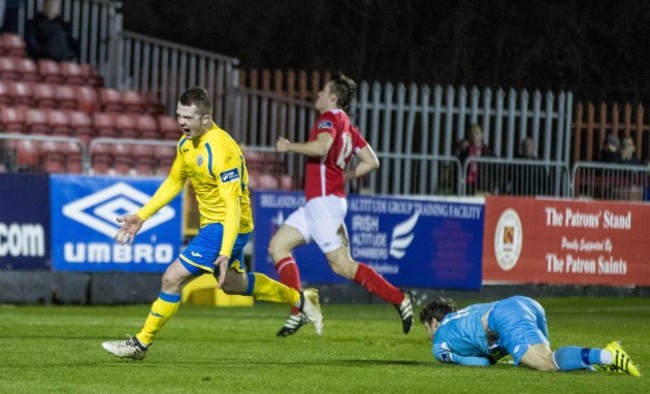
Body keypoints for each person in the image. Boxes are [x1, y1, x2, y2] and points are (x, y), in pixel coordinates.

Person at [101, 87, 323, 361]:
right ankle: (301, 299)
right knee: (233, 284)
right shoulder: (185, 144)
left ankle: (140, 344)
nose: (182, 122)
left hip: (227, 226)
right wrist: (142, 215)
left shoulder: (221, 150)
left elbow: (231, 207)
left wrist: (225, 251)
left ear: (206, 119)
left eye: (188, 117)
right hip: (218, 226)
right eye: (179, 116)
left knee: (172, 278)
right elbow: (173, 182)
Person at [268, 72, 413, 337]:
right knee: (278, 246)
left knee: (342, 265)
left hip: (324, 203)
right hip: (319, 202)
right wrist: (344, 176)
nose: (319, 94)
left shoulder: (329, 118)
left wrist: (289, 147)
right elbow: (372, 162)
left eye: (323, 91)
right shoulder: (349, 127)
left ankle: (399, 298)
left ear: (333, 97)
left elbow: (322, 148)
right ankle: (299, 309)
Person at [419, 296, 641, 376]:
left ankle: (608, 355)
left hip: (506, 317)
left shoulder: (440, 344)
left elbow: (481, 363)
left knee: (546, 363)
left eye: (427, 328)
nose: (429, 336)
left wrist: (459, 359)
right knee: (545, 360)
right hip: (526, 304)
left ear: (433, 322)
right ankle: (595, 366)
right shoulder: (464, 314)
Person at [457, 124, 494, 195]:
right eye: (472, 133)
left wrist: (491, 189)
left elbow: (496, 173)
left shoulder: (489, 153)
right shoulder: (465, 152)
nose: (474, 135)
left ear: (481, 135)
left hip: (483, 187)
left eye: (476, 132)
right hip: (467, 187)